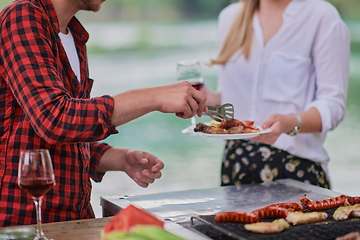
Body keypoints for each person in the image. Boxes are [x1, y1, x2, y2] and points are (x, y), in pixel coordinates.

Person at [0, 0, 207, 227]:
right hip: (23, 223)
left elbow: (60, 132)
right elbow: (54, 119)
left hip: (73, 221)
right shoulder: (21, 16)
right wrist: (154, 98)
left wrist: (118, 158)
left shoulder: (74, 35)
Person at [202, 0, 350, 188]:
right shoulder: (229, 17)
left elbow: (334, 106)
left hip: (296, 169)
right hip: (236, 167)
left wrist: (290, 122)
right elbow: (231, 100)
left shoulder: (321, 15)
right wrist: (204, 98)